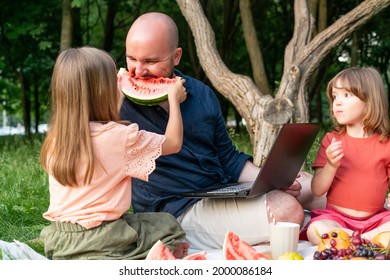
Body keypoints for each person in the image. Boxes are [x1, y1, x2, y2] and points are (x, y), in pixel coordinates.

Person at [120, 12, 324, 250]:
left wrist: (270, 180)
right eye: (131, 59)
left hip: (220, 192)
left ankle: (364, 229)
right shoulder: (118, 106)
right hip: (175, 210)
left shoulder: (201, 94)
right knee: (286, 209)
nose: (138, 71)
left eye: (151, 61)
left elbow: (228, 158)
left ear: (176, 57)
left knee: (311, 185)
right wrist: (111, 101)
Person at [39, 46, 189, 260]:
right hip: (103, 237)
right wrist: (173, 98)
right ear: (103, 92)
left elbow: (102, 128)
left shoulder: (57, 137)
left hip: (60, 238)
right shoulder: (121, 138)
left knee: (140, 223)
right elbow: (173, 143)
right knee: (167, 224)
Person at [306, 67, 390, 245]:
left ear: (370, 101)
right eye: (335, 96)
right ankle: (368, 241)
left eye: (346, 95)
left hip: (376, 220)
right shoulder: (332, 140)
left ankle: (358, 240)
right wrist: (331, 165)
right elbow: (317, 190)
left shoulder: (386, 145)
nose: (337, 102)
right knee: (316, 229)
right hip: (337, 219)